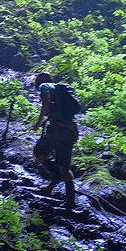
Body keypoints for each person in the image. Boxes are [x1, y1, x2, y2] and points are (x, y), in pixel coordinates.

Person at [31, 73, 79, 205]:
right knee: (64, 166)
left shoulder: (44, 86)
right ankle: (70, 201)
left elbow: (46, 101)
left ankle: (56, 175)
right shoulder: (61, 90)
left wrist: (38, 122)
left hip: (57, 130)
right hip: (71, 130)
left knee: (39, 152)